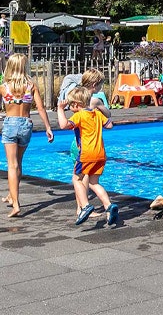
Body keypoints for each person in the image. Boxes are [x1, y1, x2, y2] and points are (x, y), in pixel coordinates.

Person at [0, 53, 55, 217]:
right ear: (24, 67)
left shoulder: (3, 87)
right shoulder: (31, 86)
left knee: (11, 165)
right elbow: (41, 108)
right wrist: (48, 127)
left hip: (10, 124)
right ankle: (11, 194)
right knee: (18, 162)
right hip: (26, 124)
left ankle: (16, 203)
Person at [57, 86, 119, 227]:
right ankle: (109, 205)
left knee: (77, 179)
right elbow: (110, 125)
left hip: (86, 154)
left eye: (70, 105)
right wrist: (100, 111)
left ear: (77, 105)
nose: (69, 108)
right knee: (93, 182)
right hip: (100, 154)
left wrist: (60, 109)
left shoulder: (79, 115)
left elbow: (63, 125)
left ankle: (85, 207)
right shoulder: (97, 114)